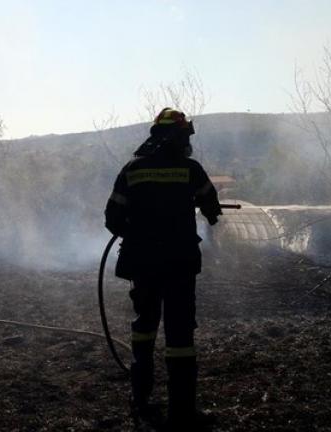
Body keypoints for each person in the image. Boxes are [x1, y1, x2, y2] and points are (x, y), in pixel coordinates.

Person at [105, 107, 221, 430]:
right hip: (180, 265)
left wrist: (138, 232)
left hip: (143, 265)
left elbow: (111, 218)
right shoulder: (191, 170)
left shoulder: (132, 170)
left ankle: (141, 402)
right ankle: (182, 412)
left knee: (144, 329)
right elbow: (212, 206)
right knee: (180, 337)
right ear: (178, 136)